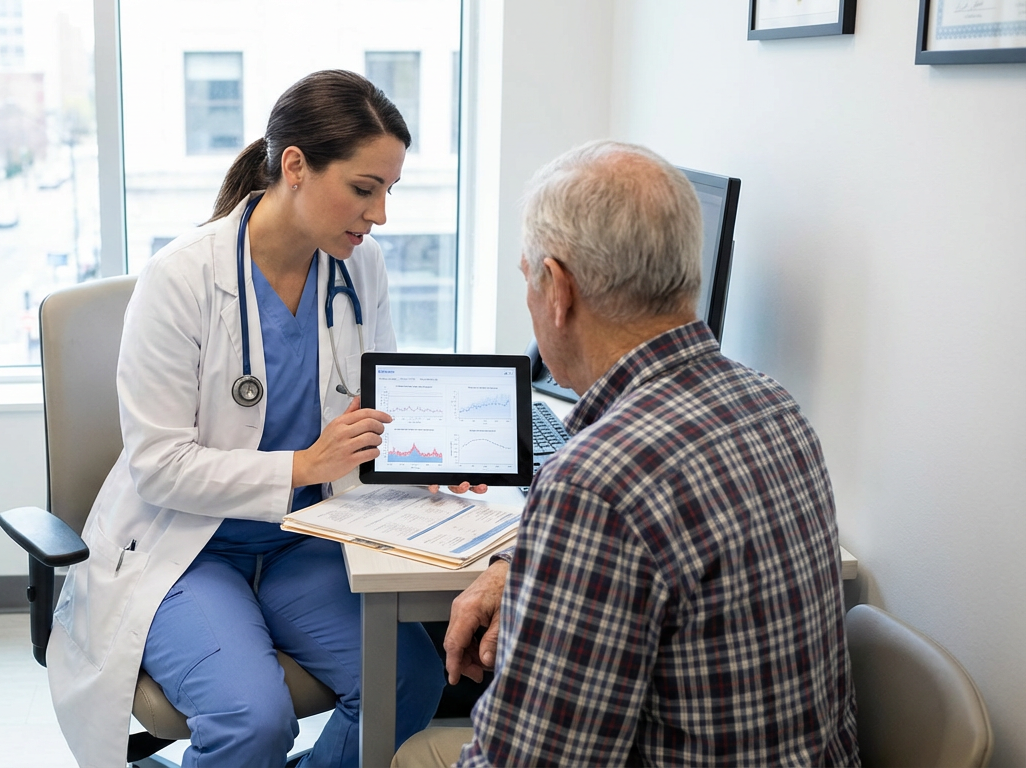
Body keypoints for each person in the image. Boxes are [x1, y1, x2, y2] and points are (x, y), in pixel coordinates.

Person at [393, 140, 859, 767]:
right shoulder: (774, 406)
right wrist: (527, 564)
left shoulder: (596, 483)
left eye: (529, 278)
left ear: (556, 289)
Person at [45, 70, 450, 768]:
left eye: (389, 191)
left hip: (306, 540)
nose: (380, 214)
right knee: (252, 722)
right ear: (294, 165)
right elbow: (158, 464)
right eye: (364, 188)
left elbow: (374, 410)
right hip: (188, 553)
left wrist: (431, 464)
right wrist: (302, 466)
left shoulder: (363, 269)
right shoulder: (182, 278)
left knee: (410, 680)